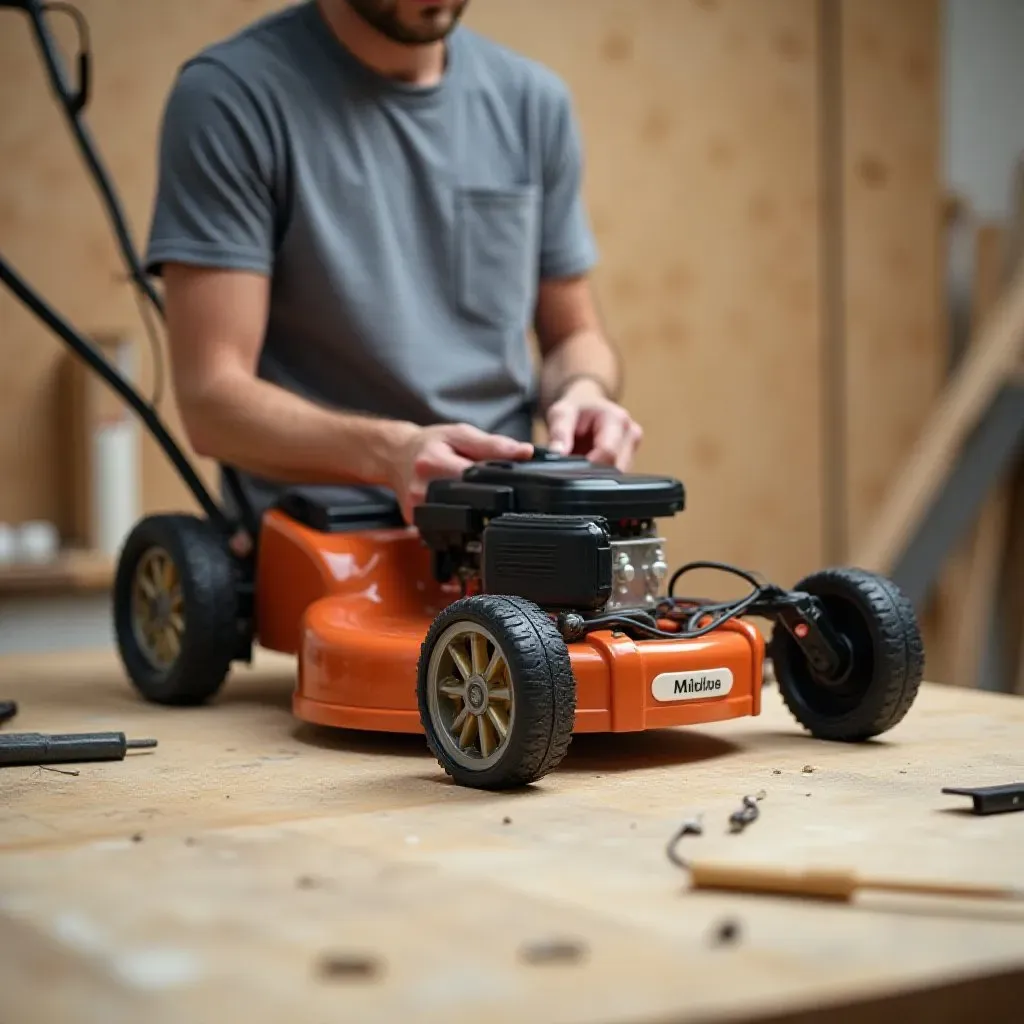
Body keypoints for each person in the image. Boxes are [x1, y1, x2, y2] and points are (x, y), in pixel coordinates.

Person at [145, 0, 642, 541]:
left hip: (506, 523)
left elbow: (574, 337)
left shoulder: (532, 101)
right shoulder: (232, 97)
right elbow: (213, 401)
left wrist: (585, 392)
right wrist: (392, 453)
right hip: (330, 534)